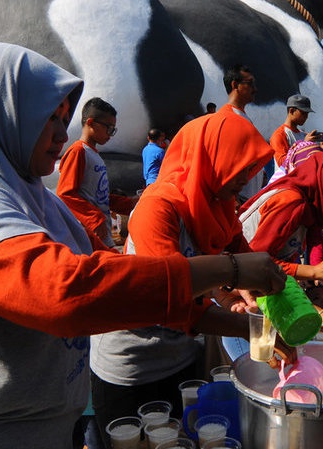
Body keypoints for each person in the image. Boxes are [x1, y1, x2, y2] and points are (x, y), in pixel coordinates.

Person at [0, 42, 285, 448]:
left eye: (65, 117)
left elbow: (114, 272)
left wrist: (245, 324)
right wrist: (230, 270)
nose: (63, 132)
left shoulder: (39, 204)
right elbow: (66, 291)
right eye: (47, 117)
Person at [89, 112, 285, 442]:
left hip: (182, 359)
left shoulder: (219, 204)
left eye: (250, 169)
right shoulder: (159, 208)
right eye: (239, 167)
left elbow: (250, 261)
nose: (246, 177)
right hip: (133, 366)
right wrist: (253, 329)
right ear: (210, 157)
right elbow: (170, 302)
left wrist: (250, 295)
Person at [240, 151, 323, 344]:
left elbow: (287, 261)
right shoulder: (290, 201)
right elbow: (256, 263)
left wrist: (317, 290)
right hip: (240, 301)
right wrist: (313, 272)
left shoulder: (311, 210)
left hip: (261, 297)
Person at [56, 97, 136, 248]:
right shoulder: (78, 151)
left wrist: (130, 203)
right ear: (91, 123)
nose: (110, 134)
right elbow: (65, 193)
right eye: (109, 128)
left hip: (102, 233)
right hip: (89, 234)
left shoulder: (94, 155)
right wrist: (94, 219)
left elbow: (99, 197)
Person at [219, 65, 264, 203]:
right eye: (250, 84)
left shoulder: (243, 117)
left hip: (249, 199)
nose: (255, 89)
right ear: (235, 85)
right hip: (239, 201)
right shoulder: (228, 118)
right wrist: (235, 201)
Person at [269, 94, 323, 168]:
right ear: (292, 111)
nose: (306, 117)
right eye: (303, 113)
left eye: (307, 114)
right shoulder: (279, 135)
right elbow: (282, 164)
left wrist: (321, 148)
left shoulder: (304, 135)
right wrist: (304, 145)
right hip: (287, 179)